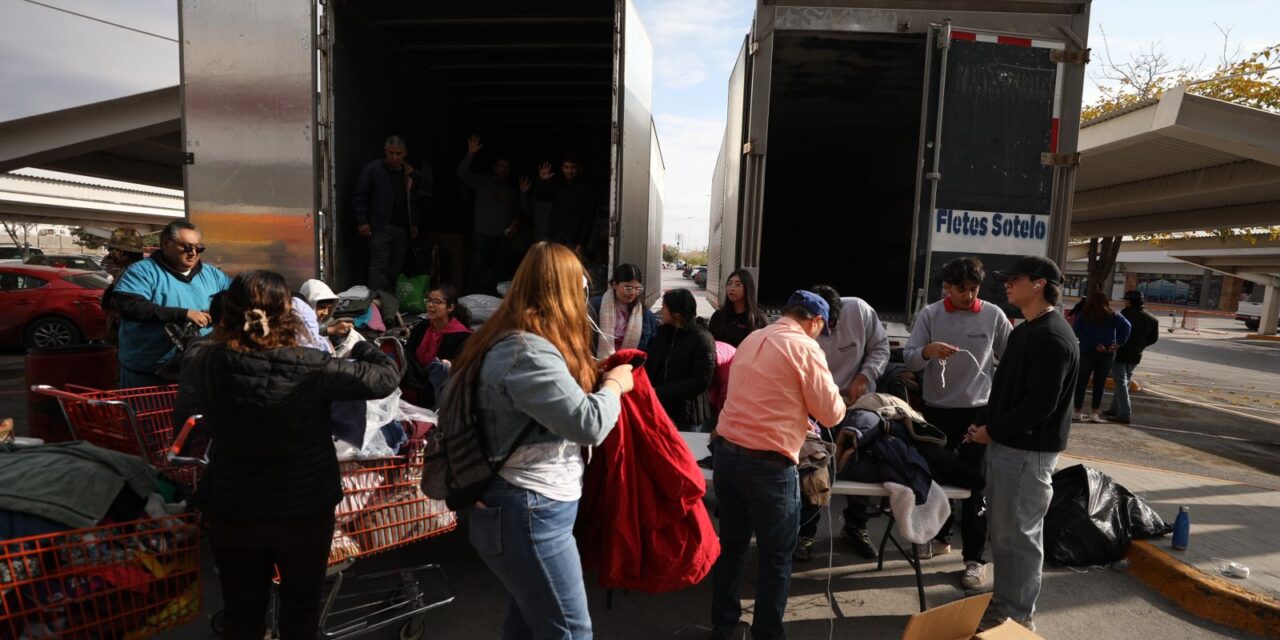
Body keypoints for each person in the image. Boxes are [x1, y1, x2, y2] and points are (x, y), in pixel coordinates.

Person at [173, 270, 400, 640]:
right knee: (301, 609)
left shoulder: (206, 360)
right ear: (290, 314)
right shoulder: (312, 365)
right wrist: (357, 343)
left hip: (233, 508)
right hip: (303, 511)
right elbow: (385, 377)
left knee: (242, 613)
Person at [445, 241, 634, 639]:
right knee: (570, 631)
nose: (585, 298)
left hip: (523, 507)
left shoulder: (510, 340)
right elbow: (588, 423)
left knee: (528, 625)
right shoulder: (526, 349)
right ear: (565, 290)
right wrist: (615, 385)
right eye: (581, 288)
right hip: (529, 511)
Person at [710, 290, 846, 640]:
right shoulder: (804, 346)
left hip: (727, 455)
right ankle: (767, 635)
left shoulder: (754, 337)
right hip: (768, 466)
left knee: (733, 548)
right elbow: (830, 413)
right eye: (822, 328)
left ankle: (724, 627)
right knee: (775, 557)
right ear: (815, 322)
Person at [966, 255, 1079, 632]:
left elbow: (1039, 405)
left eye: (1015, 279)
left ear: (1039, 284)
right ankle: (1005, 604)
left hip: (1028, 454)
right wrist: (987, 423)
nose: (1007, 285)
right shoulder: (1027, 330)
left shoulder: (1051, 336)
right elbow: (1010, 393)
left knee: (1019, 538)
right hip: (1011, 448)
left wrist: (993, 432)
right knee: (1006, 535)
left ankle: (1016, 617)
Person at [903, 257, 1011, 589]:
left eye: (973, 289)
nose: (967, 295)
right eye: (960, 289)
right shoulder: (930, 314)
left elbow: (1012, 357)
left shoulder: (994, 315)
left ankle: (975, 560)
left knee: (974, 487)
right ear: (946, 288)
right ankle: (938, 537)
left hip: (978, 412)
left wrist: (1000, 404)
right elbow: (908, 358)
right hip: (936, 411)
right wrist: (928, 351)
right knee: (933, 481)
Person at [809, 284, 890, 560]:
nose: (828, 330)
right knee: (813, 466)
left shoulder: (858, 309)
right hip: (818, 405)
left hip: (858, 403)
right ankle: (805, 533)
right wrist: (826, 398)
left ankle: (856, 526)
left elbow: (880, 348)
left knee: (860, 461)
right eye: (823, 326)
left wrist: (864, 376)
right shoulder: (804, 325)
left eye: (832, 323)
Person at [112, 220, 230, 388]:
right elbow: (129, 306)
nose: (193, 253)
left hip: (198, 370)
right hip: (148, 376)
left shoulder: (213, 275)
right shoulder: (142, 271)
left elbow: (236, 300)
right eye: (187, 247)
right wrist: (184, 314)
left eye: (198, 248)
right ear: (166, 244)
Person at [353, 135, 429, 293]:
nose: (394, 157)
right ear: (385, 152)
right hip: (380, 227)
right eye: (391, 153)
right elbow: (360, 196)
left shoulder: (410, 174)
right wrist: (362, 221)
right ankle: (376, 308)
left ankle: (389, 307)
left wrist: (414, 223)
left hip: (402, 229)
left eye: (398, 154)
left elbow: (414, 201)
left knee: (394, 270)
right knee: (379, 269)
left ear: (405, 153)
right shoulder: (373, 170)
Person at [459, 135, 531, 295]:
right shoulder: (482, 181)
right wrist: (470, 154)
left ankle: (495, 305)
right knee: (476, 270)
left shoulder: (512, 190)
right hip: (481, 233)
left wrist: (514, 224)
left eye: (506, 167)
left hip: (501, 237)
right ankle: (471, 300)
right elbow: (462, 173)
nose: (502, 169)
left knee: (499, 273)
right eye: (500, 166)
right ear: (494, 167)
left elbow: (519, 214)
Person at [646, 289, 716, 431]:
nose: (661, 311)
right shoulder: (661, 333)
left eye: (664, 307)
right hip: (658, 409)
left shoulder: (702, 339)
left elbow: (700, 381)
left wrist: (660, 391)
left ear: (677, 314)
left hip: (686, 416)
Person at [405, 284, 473, 408]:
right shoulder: (421, 328)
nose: (430, 305)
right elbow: (408, 356)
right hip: (415, 384)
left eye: (437, 302)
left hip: (441, 392)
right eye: (429, 301)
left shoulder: (461, 337)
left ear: (450, 307)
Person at [1072, 292, 1132, 422]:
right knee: (1099, 384)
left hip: (1087, 351)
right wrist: (1119, 343)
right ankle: (1094, 414)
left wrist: (1094, 343)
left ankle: (1077, 412)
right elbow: (1127, 326)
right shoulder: (1112, 314)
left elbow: (1077, 331)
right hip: (1106, 353)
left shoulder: (1083, 314)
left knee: (1081, 383)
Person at [1106, 290, 1159, 424]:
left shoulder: (1125, 314)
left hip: (1121, 351)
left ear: (1129, 301)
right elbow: (1153, 338)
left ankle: (1124, 413)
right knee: (1124, 380)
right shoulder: (1151, 318)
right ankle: (1114, 408)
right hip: (1136, 353)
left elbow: (1114, 331)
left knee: (1121, 382)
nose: (1124, 302)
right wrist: (1141, 345)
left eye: (1125, 300)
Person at [587, 263, 658, 358]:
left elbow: (650, 348)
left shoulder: (645, 316)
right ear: (615, 285)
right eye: (628, 288)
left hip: (629, 369)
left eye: (637, 289)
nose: (633, 293)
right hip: (597, 366)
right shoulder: (594, 307)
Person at [536, 156, 594, 255]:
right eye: (566, 167)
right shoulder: (558, 185)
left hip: (573, 242)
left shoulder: (585, 190)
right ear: (562, 168)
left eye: (572, 167)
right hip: (554, 239)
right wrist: (542, 181)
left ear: (578, 169)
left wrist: (581, 243)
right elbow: (542, 197)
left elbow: (589, 218)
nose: (569, 171)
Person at [100, 227, 148, 346]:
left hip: (128, 338)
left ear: (119, 252)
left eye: (111, 250)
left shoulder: (129, 274)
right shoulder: (144, 270)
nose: (109, 255)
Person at [299, 279, 363, 357]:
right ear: (310, 304)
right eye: (322, 307)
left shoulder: (319, 325)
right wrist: (332, 330)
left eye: (328, 308)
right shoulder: (294, 324)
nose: (326, 313)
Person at [708, 269, 768, 347]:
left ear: (747, 288)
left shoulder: (758, 319)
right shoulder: (718, 316)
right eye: (729, 284)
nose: (732, 288)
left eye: (738, 285)